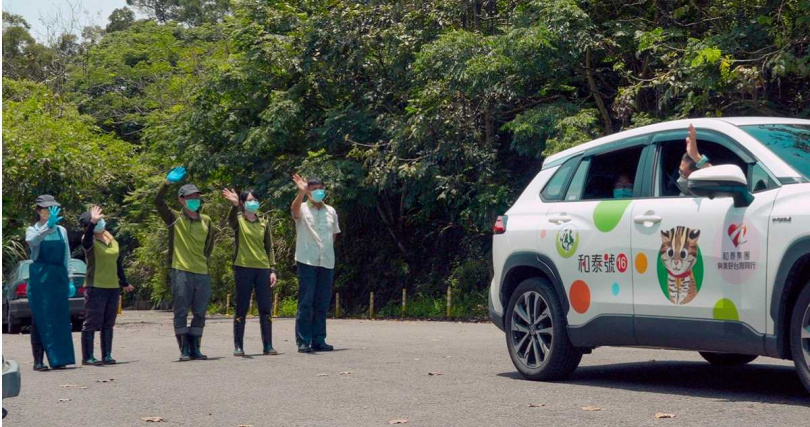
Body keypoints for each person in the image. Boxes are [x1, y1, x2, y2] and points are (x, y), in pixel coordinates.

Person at [155, 166, 214, 361]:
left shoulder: (206, 220)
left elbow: (209, 246)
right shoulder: (175, 218)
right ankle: (184, 350)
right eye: (190, 198)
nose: (194, 200)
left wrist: (203, 262)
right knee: (181, 311)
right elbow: (158, 202)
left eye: (196, 197)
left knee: (200, 312)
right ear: (181, 200)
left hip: (201, 271)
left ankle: (196, 348)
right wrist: (167, 183)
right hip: (181, 270)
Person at [222, 188, 279, 357]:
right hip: (243, 267)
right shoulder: (239, 221)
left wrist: (273, 269)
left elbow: (269, 248)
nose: (253, 202)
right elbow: (230, 220)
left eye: (255, 199)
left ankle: (268, 345)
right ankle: (238, 345)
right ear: (242, 203)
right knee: (242, 307)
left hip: (262, 269)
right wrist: (233, 206)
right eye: (249, 200)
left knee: (265, 308)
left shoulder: (264, 223)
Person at [24, 195, 76, 371]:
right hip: (40, 277)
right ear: (38, 211)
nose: (48, 212)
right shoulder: (33, 229)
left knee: (60, 318)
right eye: (45, 209)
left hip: (58, 277)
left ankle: (59, 358)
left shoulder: (62, 231)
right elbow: (33, 241)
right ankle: (38, 360)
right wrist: (48, 226)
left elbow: (67, 255)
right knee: (39, 318)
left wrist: (70, 279)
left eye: (52, 209)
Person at [79, 206, 135, 366]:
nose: (101, 221)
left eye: (100, 219)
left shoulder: (112, 240)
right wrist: (92, 223)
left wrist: (124, 283)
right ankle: (88, 356)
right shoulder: (88, 240)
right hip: (95, 286)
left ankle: (107, 355)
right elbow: (88, 236)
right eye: (97, 220)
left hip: (112, 287)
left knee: (108, 322)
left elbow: (117, 263)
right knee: (91, 322)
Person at [291, 174, 340, 353]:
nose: (318, 192)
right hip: (307, 260)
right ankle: (303, 341)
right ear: (308, 192)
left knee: (322, 302)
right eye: (313, 189)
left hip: (326, 261)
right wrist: (301, 193)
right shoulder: (302, 207)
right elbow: (294, 211)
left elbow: (334, 233)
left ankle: (319, 339)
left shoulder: (331, 211)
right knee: (306, 302)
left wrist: (326, 250)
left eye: (320, 188)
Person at [675, 123, 713, 195]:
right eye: (680, 171)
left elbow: (717, 176)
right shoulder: (681, 198)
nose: (679, 180)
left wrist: (696, 157)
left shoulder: (714, 194)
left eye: (683, 174)